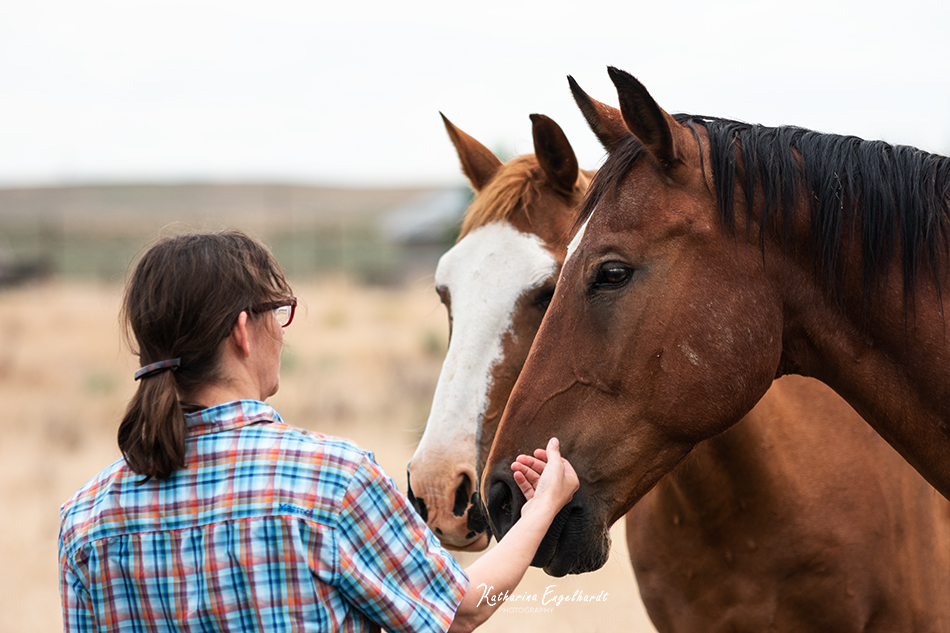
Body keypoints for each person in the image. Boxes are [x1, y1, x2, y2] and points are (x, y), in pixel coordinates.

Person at [58, 230, 578, 633]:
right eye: (278, 313)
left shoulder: (85, 520)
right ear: (242, 330)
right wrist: (538, 513)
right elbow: (461, 612)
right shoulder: (333, 483)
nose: (282, 335)